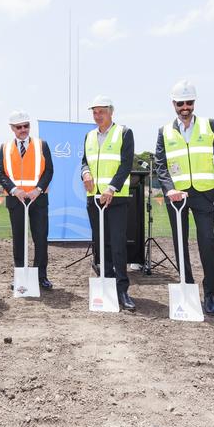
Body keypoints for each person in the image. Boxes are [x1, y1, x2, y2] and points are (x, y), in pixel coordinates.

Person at [154, 80, 214, 315]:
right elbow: (160, 164)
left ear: (194, 103)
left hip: (203, 193)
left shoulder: (209, 125)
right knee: (180, 242)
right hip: (176, 196)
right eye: (180, 103)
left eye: (188, 102)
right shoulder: (164, 131)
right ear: (173, 104)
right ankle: (186, 286)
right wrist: (168, 189)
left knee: (207, 241)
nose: (184, 107)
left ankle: (210, 293)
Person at [81, 95, 136, 311]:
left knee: (117, 244)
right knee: (100, 243)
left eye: (101, 111)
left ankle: (122, 290)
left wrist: (111, 188)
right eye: (94, 112)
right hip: (94, 199)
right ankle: (106, 282)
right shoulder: (89, 136)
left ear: (111, 112)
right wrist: (85, 173)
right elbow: (84, 161)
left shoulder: (123, 132)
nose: (97, 116)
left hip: (116, 199)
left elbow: (126, 164)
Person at [0, 110, 54, 289]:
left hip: (38, 199)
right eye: (19, 127)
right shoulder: (5, 147)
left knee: (40, 238)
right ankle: (20, 275)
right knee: (19, 239)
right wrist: (14, 190)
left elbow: (49, 171)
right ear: (12, 128)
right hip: (16, 200)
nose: (23, 129)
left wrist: (38, 190)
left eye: (26, 126)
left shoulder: (41, 144)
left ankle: (40, 276)